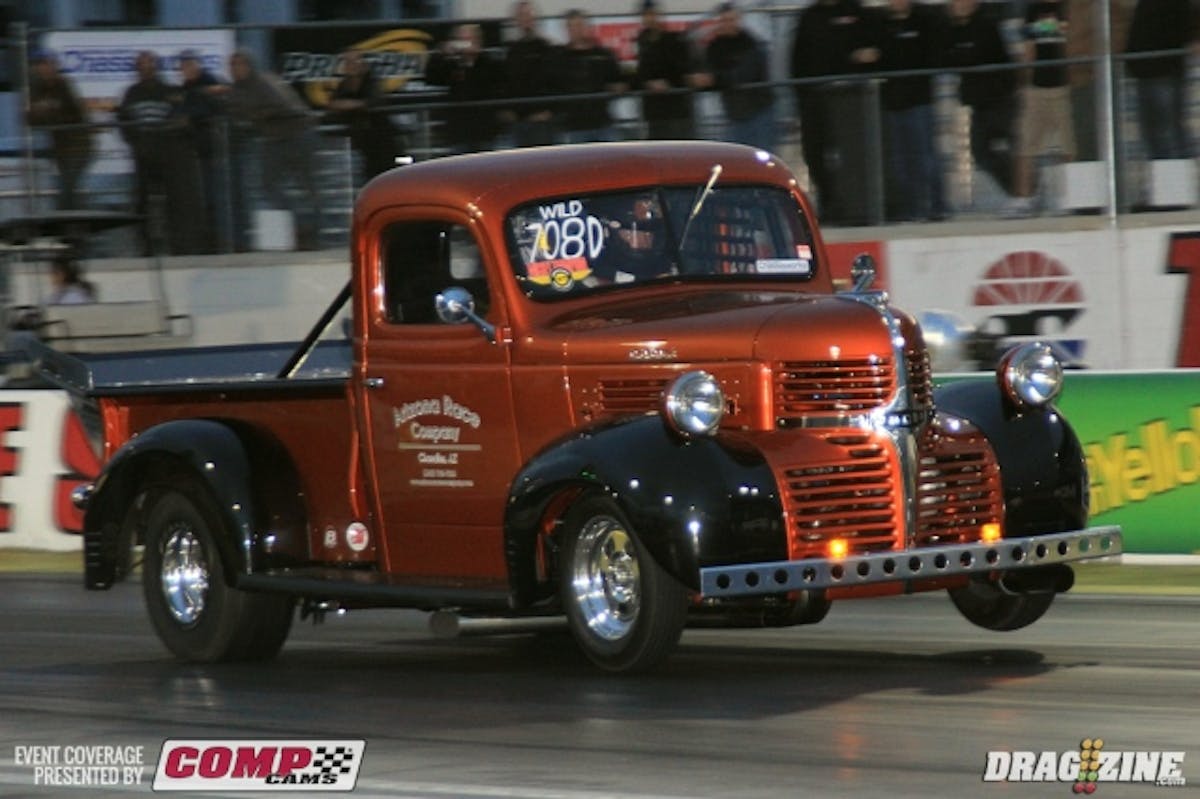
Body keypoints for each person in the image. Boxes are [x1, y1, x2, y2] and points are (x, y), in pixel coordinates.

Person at [216, 50, 322, 250]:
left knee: (308, 186)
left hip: (298, 133)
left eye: (239, 64)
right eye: (232, 65)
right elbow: (235, 109)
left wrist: (254, 112)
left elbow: (283, 106)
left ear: (249, 65)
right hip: (274, 138)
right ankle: (296, 225)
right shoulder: (237, 90)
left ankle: (312, 234)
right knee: (268, 185)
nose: (236, 69)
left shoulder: (265, 82)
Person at [789, 0, 880, 219]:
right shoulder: (809, 16)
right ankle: (829, 203)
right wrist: (800, 95)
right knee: (814, 154)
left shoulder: (857, 11)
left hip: (850, 99)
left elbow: (874, 49)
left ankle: (853, 208)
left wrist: (866, 58)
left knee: (849, 156)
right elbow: (797, 58)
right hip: (814, 98)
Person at [117, 50, 206, 255]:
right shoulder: (131, 93)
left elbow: (182, 118)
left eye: (149, 65)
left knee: (175, 202)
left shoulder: (170, 91)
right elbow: (124, 121)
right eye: (142, 65)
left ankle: (179, 247)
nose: (146, 69)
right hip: (143, 155)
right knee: (143, 203)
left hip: (168, 156)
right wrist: (136, 143)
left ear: (155, 67)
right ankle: (145, 248)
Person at [942, 0, 1019, 199]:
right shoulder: (950, 31)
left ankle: (1025, 192)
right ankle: (1017, 192)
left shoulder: (986, 26)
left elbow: (988, 57)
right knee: (980, 153)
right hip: (978, 104)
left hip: (1000, 99)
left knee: (1013, 145)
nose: (960, 5)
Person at [877, 0, 946, 221]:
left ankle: (937, 205)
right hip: (893, 104)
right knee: (900, 161)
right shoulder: (882, 24)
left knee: (926, 157)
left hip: (920, 101)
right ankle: (910, 208)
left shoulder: (924, 20)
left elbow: (932, 56)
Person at [1013, 0, 1075, 211]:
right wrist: (1025, 82)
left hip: (1064, 87)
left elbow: (1072, 44)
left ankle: (1069, 198)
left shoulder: (1070, 8)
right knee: (1027, 145)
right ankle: (1024, 199)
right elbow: (1028, 49)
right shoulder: (1032, 9)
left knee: (1068, 146)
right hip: (1037, 88)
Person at [699, 2, 776, 152]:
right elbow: (710, 73)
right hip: (735, 113)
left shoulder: (751, 44)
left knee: (761, 158)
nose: (728, 24)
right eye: (724, 20)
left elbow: (743, 75)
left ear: (739, 20)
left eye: (731, 20)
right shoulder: (715, 47)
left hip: (758, 110)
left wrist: (713, 79)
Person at [1125, 0, 1197, 160]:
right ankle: (1166, 177)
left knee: (1168, 134)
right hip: (1147, 71)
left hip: (1163, 70)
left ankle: (1175, 177)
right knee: (1155, 135)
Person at [26, 51, 92, 210]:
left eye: (48, 66)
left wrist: (49, 110)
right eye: (41, 67)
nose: (44, 70)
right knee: (66, 184)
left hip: (79, 145)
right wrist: (39, 112)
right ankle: (72, 220)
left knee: (68, 185)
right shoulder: (38, 90)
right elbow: (31, 119)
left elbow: (77, 113)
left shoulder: (64, 85)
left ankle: (70, 220)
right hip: (60, 147)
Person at [426, 24, 506, 154]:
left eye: (470, 39)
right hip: (459, 131)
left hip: (484, 129)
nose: (467, 44)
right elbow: (431, 77)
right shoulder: (451, 64)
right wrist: (440, 54)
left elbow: (494, 83)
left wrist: (474, 58)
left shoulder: (488, 63)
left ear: (478, 40)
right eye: (462, 40)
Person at [178, 50, 227, 253]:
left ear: (197, 65)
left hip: (215, 149)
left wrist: (191, 115)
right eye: (183, 67)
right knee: (202, 198)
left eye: (190, 65)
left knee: (215, 196)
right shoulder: (187, 88)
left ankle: (219, 242)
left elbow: (213, 108)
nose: (187, 70)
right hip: (196, 150)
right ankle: (207, 242)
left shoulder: (210, 82)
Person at [552, 10, 625, 143]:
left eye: (579, 25)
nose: (576, 30)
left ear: (587, 27)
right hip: (574, 126)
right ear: (566, 29)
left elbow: (619, 82)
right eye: (572, 26)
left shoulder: (603, 54)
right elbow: (553, 87)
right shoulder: (559, 57)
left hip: (602, 123)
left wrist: (618, 88)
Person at [328, 49, 401, 182]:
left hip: (383, 138)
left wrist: (353, 104)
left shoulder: (372, 81)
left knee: (392, 174)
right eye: (347, 62)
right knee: (370, 178)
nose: (351, 65)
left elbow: (374, 102)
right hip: (363, 141)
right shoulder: (344, 85)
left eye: (355, 61)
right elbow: (334, 105)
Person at [634, 0, 698, 140]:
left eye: (652, 14)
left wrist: (668, 83)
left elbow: (684, 71)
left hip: (677, 110)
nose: (649, 19)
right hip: (654, 113)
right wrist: (648, 83)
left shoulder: (674, 40)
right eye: (646, 15)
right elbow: (639, 74)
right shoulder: (641, 43)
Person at [502, 1, 557, 147]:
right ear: (516, 21)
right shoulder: (511, 51)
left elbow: (556, 81)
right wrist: (508, 110)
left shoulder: (547, 48)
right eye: (521, 16)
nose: (525, 19)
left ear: (535, 19)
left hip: (541, 122)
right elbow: (506, 82)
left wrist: (550, 111)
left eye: (528, 15)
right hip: (518, 121)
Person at [593, 195, 672, 283]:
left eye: (646, 240)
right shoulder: (614, 207)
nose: (638, 235)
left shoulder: (607, 263)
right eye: (644, 233)